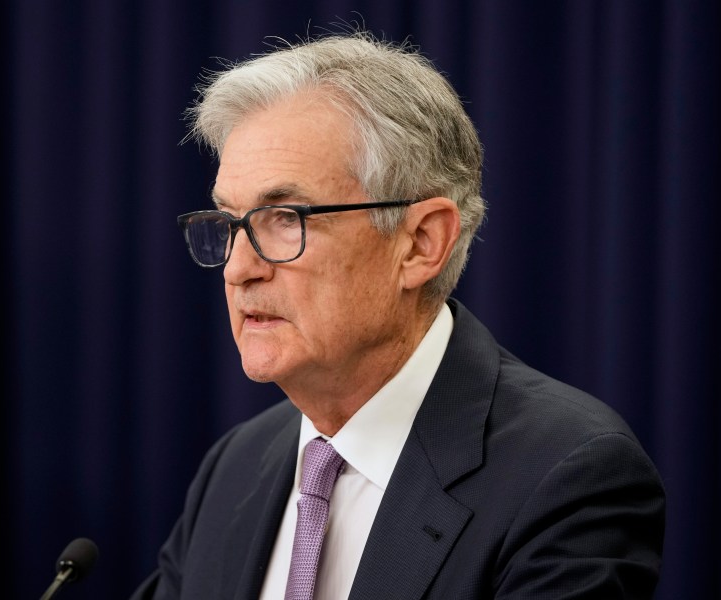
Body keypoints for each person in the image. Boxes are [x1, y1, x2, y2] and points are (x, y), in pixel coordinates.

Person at [131, 32, 665, 599]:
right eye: (229, 222)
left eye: (285, 218)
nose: (238, 268)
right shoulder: (235, 467)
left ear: (420, 243)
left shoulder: (565, 476)